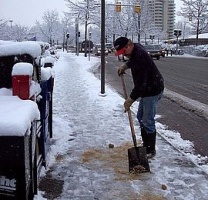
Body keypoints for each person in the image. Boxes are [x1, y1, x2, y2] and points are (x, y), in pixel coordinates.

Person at [114, 37, 164, 158]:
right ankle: (146, 145)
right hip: (148, 89)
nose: (123, 55)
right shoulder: (136, 49)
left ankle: (150, 150)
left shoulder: (139, 57)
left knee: (147, 120)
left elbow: (141, 85)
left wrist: (130, 100)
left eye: (123, 51)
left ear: (129, 45)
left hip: (152, 90)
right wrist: (125, 66)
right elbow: (133, 60)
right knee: (141, 116)